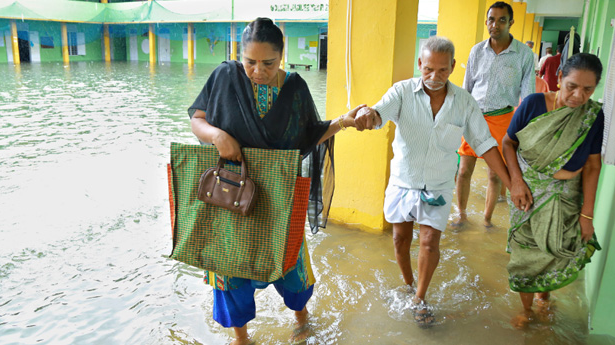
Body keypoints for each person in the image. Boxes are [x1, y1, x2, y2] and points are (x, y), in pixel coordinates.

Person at [188, 18, 364, 345]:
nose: (258, 71)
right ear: (239, 56)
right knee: (231, 271)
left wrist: (343, 121)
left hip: (279, 198)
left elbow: (309, 135)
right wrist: (217, 135)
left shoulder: (294, 87)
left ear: (281, 56)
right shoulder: (225, 77)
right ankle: (241, 338)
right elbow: (197, 119)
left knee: (292, 268)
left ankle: (302, 320)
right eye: (250, 62)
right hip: (231, 196)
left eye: (268, 63)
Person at [353, 36, 515, 328]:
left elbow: (485, 144)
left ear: (452, 67)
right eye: (428, 69)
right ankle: (407, 282)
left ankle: (419, 297)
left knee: (428, 243)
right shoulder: (401, 91)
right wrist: (367, 114)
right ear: (419, 64)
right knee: (400, 240)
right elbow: (378, 114)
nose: (434, 77)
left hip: (438, 186)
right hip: (403, 182)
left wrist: (511, 183)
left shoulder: (464, 102)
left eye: (442, 70)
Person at [502, 53, 604, 329]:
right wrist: (516, 182)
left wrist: (587, 215)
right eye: (572, 86)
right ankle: (527, 310)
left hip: (567, 197)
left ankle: (544, 298)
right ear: (558, 78)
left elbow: (594, 166)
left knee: (553, 252)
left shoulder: (592, 116)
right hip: (527, 195)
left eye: (587, 89)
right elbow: (508, 143)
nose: (578, 96)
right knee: (525, 253)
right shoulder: (534, 104)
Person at [453, 1, 535, 228]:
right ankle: (461, 215)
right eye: (491, 19)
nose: (495, 24)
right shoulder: (476, 51)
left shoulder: (524, 55)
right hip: (473, 117)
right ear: (486, 21)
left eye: (501, 20)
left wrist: (525, 130)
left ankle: (487, 220)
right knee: (464, 170)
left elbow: (528, 96)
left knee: (494, 175)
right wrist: (460, 119)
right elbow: (466, 88)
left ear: (511, 23)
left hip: (503, 119)